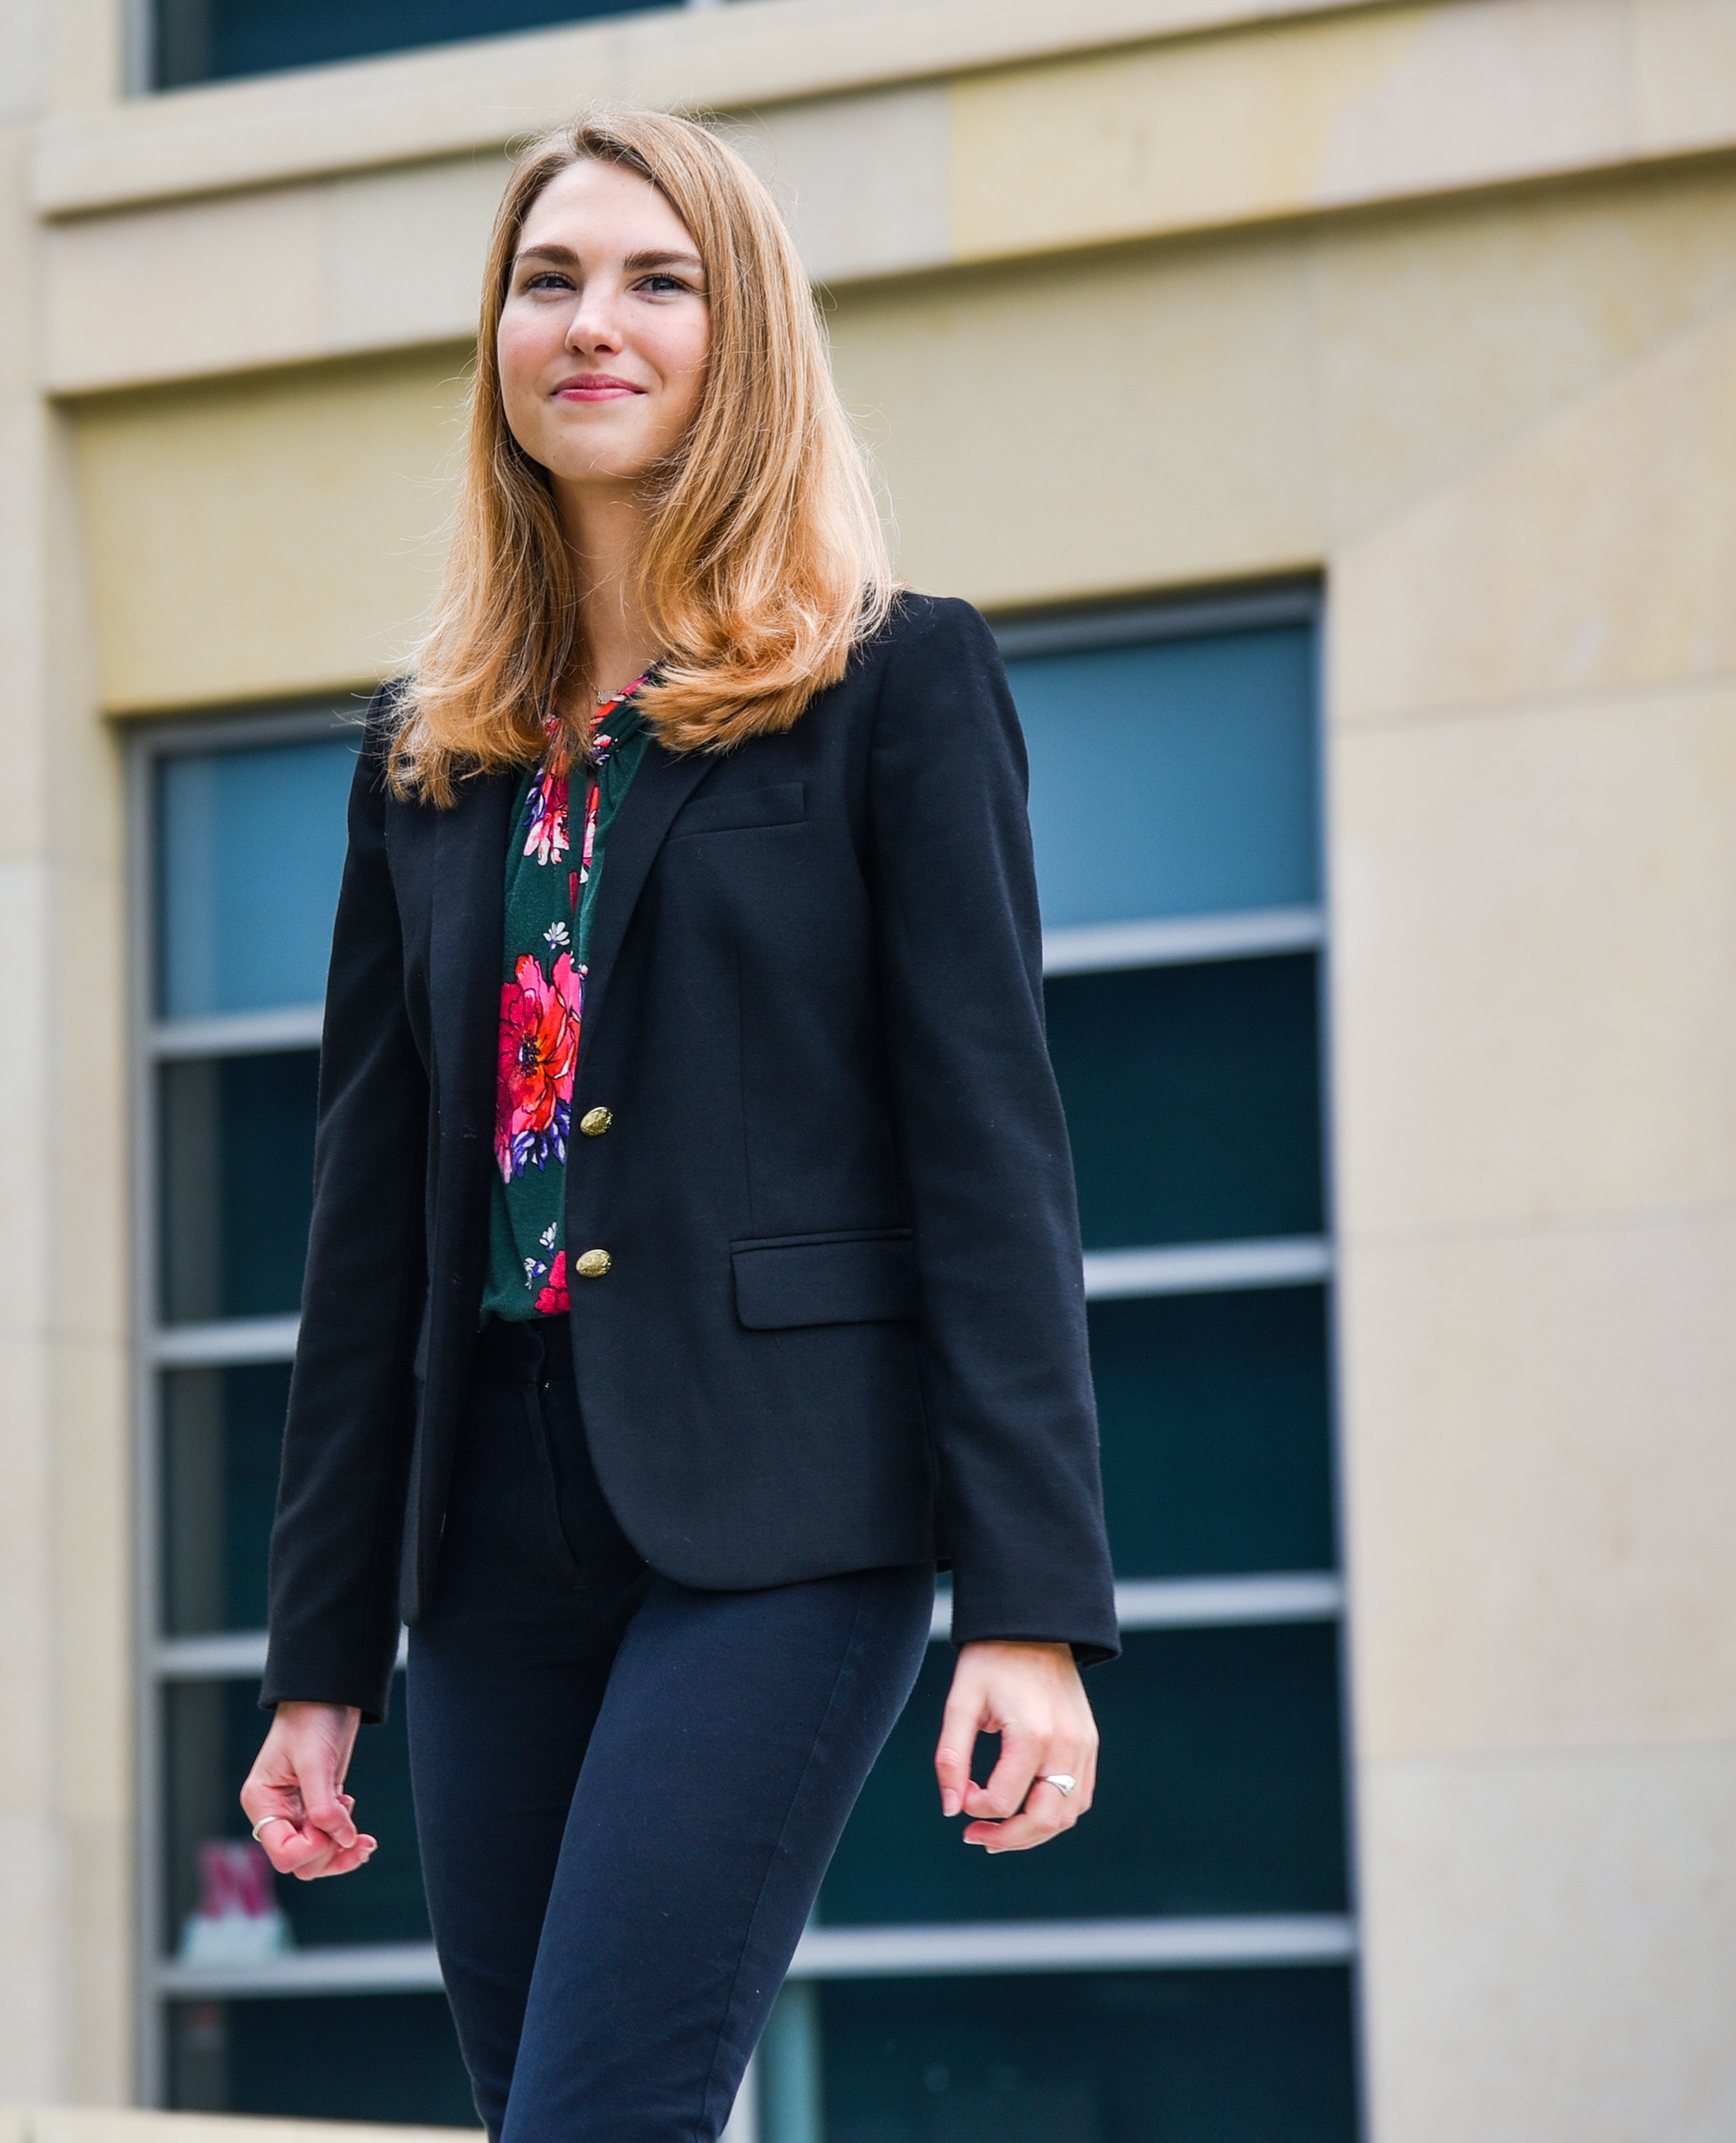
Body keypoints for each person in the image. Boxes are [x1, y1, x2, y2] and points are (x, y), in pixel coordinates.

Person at [239, 110, 1116, 2140]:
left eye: (657, 280)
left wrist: (1031, 1608)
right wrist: (319, 1656)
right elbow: (368, 1234)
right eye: (546, 281)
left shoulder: (895, 686)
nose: (592, 323)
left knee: (599, 2117)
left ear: (747, 338)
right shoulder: (427, 759)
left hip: (783, 1523)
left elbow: (991, 1157)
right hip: (490, 1540)